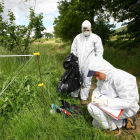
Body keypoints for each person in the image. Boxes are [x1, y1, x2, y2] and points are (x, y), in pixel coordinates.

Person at [87, 57, 139, 137]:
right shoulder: (104, 77)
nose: (96, 78)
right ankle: (125, 122)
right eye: (95, 76)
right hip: (114, 106)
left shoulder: (120, 78)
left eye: (97, 75)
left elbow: (127, 102)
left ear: (103, 69)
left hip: (126, 109)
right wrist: (95, 93)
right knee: (95, 124)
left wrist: (105, 102)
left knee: (91, 107)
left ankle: (113, 130)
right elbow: (99, 88)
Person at [71, 20, 104, 106]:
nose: (85, 31)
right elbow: (73, 50)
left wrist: (97, 64)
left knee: (87, 81)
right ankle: (74, 95)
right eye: (84, 29)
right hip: (77, 63)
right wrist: (73, 61)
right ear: (81, 29)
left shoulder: (96, 38)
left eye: (87, 29)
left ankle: (83, 98)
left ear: (90, 28)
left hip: (90, 65)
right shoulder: (77, 38)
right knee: (76, 79)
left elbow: (99, 52)